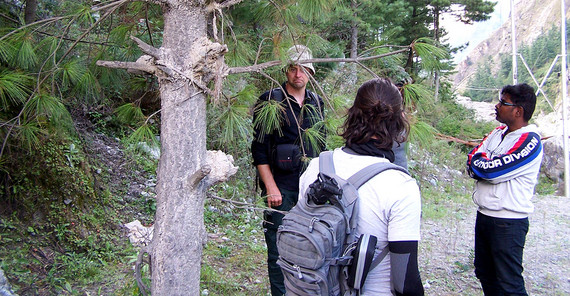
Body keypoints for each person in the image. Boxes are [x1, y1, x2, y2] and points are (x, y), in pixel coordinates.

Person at [298, 78, 424, 295]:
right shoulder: (401, 186)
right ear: (398, 122)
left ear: (353, 114)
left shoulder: (318, 166)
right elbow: (406, 283)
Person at [251, 44, 326, 296]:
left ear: (311, 73)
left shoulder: (317, 103)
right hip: (280, 189)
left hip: (310, 189)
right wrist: (270, 187)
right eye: (293, 68)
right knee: (278, 250)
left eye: (304, 69)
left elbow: (322, 147)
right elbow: (259, 149)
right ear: (286, 71)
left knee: (308, 248)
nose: (298, 74)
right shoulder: (270, 100)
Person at [466, 83, 543, 296]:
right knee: (484, 273)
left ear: (518, 111)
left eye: (503, 102)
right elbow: (473, 157)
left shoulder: (529, 140)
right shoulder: (498, 133)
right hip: (484, 215)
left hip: (508, 222)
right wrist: (481, 162)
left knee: (509, 283)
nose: (497, 105)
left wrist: (481, 163)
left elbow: (490, 171)